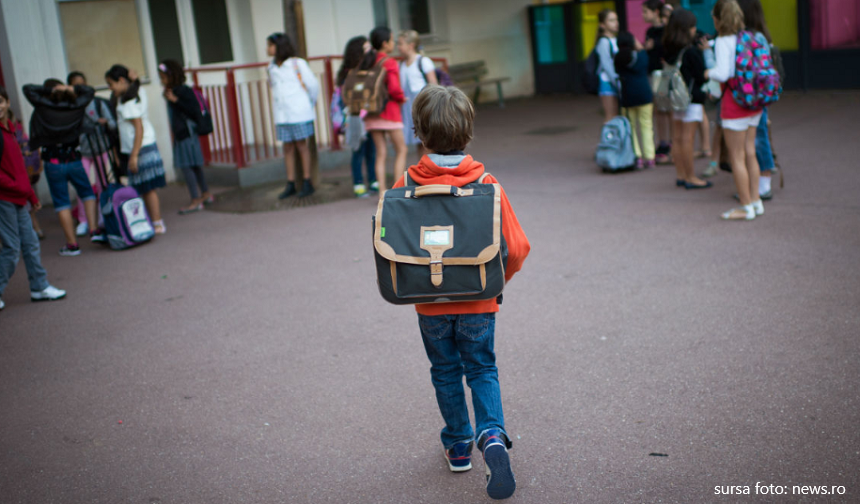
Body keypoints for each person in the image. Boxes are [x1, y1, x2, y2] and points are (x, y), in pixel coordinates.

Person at [390, 85, 530, 500]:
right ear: (468, 131)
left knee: (445, 371)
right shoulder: (487, 184)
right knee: (482, 369)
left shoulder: (405, 184)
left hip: (429, 304)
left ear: (419, 132)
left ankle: (458, 445)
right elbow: (518, 248)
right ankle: (492, 436)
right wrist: (495, 282)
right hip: (479, 299)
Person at [0, 85, 66, 310]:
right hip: (4, 199)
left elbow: (18, 166)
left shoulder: (9, 129)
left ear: (7, 102)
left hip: (19, 197)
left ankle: (39, 287)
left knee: (30, 243)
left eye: (1, 101)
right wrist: (20, 188)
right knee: (11, 248)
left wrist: (30, 194)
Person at [23, 78, 102, 255]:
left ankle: (72, 245)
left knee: (62, 203)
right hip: (73, 158)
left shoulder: (43, 105)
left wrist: (49, 91)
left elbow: (27, 88)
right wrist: (70, 88)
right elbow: (89, 91)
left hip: (53, 162)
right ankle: (94, 231)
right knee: (87, 193)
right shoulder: (74, 105)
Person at [709, 0, 765, 220]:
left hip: (734, 104)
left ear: (717, 19)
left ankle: (745, 206)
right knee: (750, 152)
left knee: (736, 157)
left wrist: (708, 73)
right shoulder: (749, 37)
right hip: (754, 103)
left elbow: (723, 73)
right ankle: (756, 201)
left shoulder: (723, 41)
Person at [105, 65, 167, 233]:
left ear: (121, 80)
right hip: (143, 146)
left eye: (111, 84)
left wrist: (134, 155)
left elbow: (138, 128)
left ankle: (157, 223)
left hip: (140, 148)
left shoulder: (128, 102)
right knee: (145, 188)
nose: (110, 88)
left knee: (147, 188)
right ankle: (153, 222)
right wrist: (136, 79)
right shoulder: (136, 92)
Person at [662, 9, 712, 189]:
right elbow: (701, 76)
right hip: (691, 98)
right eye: (692, 26)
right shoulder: (691, 52)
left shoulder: (668, 48)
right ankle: (691, 177)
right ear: (685, 29)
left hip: (675, 98)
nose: (695, 29)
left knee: (677, 138)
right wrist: (706, 52)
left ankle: (681, 174)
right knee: (688, 139)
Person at [267, 33, 320, 199]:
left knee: (301, 145)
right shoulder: (271, 67)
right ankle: (291, 182)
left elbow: (313, 85)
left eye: (270, 45)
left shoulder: (297, 64)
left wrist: (308, 103)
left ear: (278, 46)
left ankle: (307, 180)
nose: (267, 49)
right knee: (287, 147)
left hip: (298, 112)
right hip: (282, 114)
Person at [157, 60, 214, 213]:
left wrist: (175, 101)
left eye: (163, 77)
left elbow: (193, 110)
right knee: (194, 165)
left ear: (172, 76)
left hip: (185, 134)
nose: (161, 81)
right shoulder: (175, 91)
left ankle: (196, 199)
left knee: (186, 166)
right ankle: (205, 194)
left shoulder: (181, 92)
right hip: (186, 133)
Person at [67, 71, 116, 237]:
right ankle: (84, 220)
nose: (79, 88)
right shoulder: (71, 106)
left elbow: (113, 124)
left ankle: (103, 216)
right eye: (75, 85)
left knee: (102, 184)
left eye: (82, 84)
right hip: (82, 150)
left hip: (100, 148)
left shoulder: (97, 102)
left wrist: (104, 122)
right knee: (83, 186)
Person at [737, 0, 777, 201]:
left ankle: (764, 181)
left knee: (759, 138)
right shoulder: (759, 35)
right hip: (754, 95)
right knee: (755, 138)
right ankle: (758, 183)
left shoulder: (754, 37)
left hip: (753, 95)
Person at [361, 27, 406, 194]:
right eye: (392, 40)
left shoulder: (369, 60)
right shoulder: (389, 61)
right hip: (389, 112)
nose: (394, 44)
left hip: (372, 113)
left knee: (381, 153)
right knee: (401, 150)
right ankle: (397, 189)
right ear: (385, 43)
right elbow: (394, 89)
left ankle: (381, 190)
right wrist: (402, 98)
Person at [336, 36, 377, 197]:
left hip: (369, 115)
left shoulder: (370, 70)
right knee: (358, 151)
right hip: (354, 117)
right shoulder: (348, 74)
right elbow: (345, 98)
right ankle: (358, 184)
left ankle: (374, 181)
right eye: (366, 48)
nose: (370, 51)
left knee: (371, 150)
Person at [614, 31, 655, 169]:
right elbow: (645, 62)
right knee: (646, 126)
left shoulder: (618, 58)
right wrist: (642, 48)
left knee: (630, 128)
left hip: (627, 97)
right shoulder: (642, 56)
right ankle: (650, 157)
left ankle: (637, 157)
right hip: (644, 95)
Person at [397, 29, 437, 160]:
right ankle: (423, 166)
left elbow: (433, 85)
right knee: (418, 142)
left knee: (427, 141)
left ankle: (431, 166)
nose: (398, 47)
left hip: (423, 105)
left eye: (400, 44)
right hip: (409, 108)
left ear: (411, 45)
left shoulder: (423, 61)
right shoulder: (401, 65)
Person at [642, 0, 672, 164]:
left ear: (656, 12)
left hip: (664, 74)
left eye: (646, 11)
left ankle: (673, 142)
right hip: (652, 73)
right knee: (658, 109)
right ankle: (663, 142)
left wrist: (656, 45)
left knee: (668, 108)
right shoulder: (650, 31)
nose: (643, 15)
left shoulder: (666, 30)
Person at [595, 10, 620, 123]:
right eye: (611, 20)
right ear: (602, 25)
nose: (616, 23)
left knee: (616, 115)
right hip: (608, 82)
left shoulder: (616, 40)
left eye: (616, 19)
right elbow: (606, 65)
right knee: (610, 116)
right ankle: (608, 135)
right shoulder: (603, 42)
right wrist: (616, 81)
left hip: (616, 81)